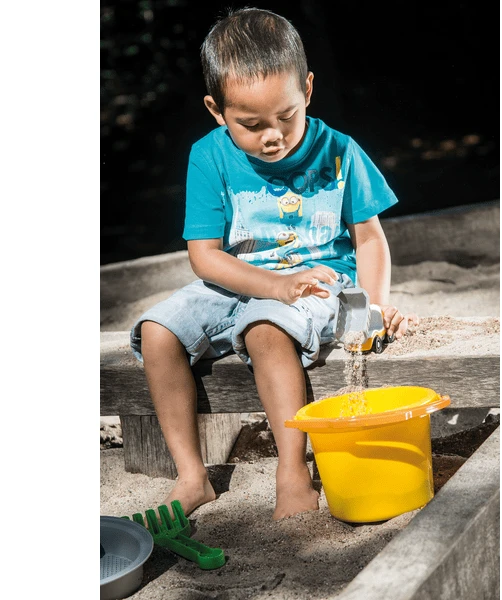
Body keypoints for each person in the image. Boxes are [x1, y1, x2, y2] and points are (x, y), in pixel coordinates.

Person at [130, 7, 418, 521]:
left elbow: (370, 239)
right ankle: (191, 476)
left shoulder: (340, 152)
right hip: (236, 280)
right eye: (252, 124)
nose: (273, 135)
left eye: (287, 116)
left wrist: (372, 310)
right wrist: (272, 284)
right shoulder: (209, 156)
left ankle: (292, 469)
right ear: (216, 111)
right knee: (156, 330)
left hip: (318, 283)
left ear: (307, 89)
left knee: (265, 329)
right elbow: (204, 257)